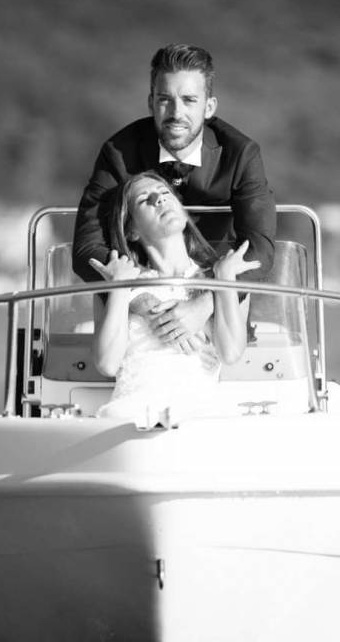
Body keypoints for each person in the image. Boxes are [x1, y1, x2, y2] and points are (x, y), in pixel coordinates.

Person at [73, 43, 276, 352]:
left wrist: (206, 303)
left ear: (209, 107)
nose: (176, 113)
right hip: (139, 295)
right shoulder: (118, 152)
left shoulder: (241, 154)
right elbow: (87, 247)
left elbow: (260, 249)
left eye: (189, 100)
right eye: (165, 100)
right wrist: (143, 300)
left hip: (214, 292)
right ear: (151, 102)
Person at [90, 171, 259, 421]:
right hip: (134, 412)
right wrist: (118, 287)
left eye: (167, 193)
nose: (160, 199)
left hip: (201, 413)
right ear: (131, 231)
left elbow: (231, 352)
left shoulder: (219, 277)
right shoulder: (120, 281)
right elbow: (107, 363)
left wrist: (224, 280)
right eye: (144, 199)